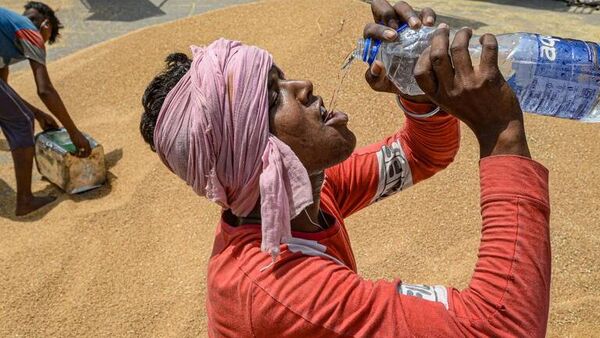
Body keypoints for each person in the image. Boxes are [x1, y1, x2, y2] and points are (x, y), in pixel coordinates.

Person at [139, 1, 550, 336]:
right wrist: (501, 134)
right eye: (272, 97)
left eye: (281, 77)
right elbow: (502, 328)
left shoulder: (295, 198)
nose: (302, 86)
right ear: (250, 152)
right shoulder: (280, 289)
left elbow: (421, 155)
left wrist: (416, 86)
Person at [0, 2, 91, 216]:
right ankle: (25, 200)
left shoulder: (6, 28)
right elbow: (45, 90)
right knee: (22, 123)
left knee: (16, 116)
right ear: (46, 26)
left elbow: (5, 95)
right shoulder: (31, 32)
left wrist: (39, 114)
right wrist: (73, 133)